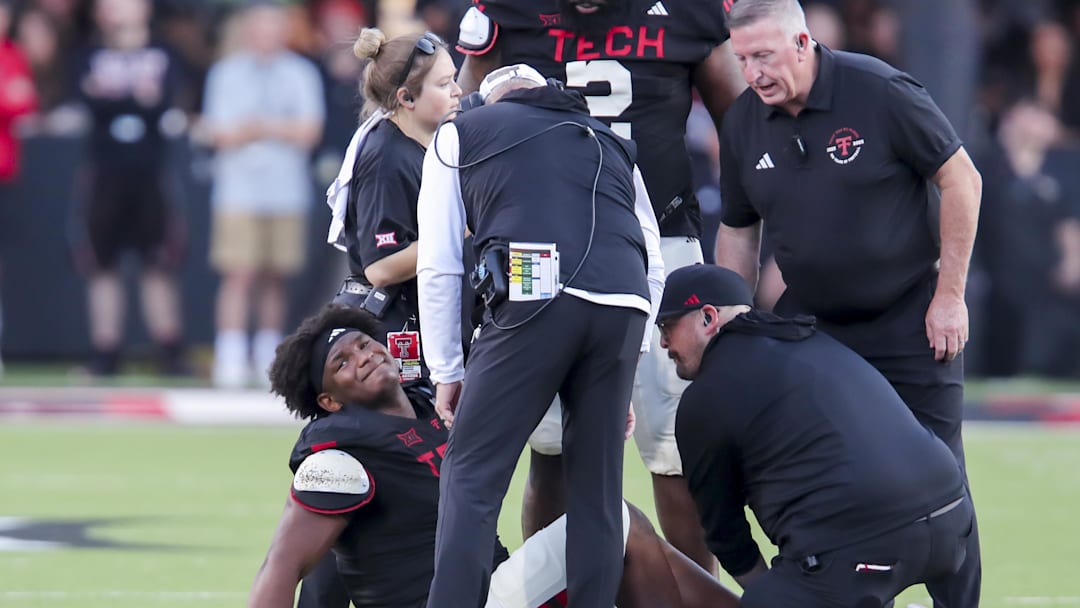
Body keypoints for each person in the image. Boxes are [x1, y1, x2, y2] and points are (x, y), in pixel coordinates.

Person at [452, 0, 746, 572]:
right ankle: (551, 593)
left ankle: (692, 595)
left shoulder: (691, 12)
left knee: (675, 447)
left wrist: (745, 232)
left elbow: (743, 126)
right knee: (551, 443)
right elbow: (464, 117)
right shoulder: (507, 12)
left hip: (661, 236)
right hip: (536, 247)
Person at [712, 1, 983, 605]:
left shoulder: (879, 90)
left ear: (803, 42)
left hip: (910, 316)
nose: (753, 73)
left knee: (943, 479)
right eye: (742, 60)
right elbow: (737, 229)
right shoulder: (742, 123)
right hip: (813, 330)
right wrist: (731, 327)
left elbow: (961, 178)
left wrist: (950, 297)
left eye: (764, 55)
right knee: (815, 473)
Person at [249, 303, 741, 608]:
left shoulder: (431, 411)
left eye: (363, 344)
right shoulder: (336, 456)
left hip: (493, 590)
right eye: (342, 363)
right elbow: (285, 565)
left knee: (619, 530)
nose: (363, 357)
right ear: (329, 402)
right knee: (610, 520)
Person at [416, 66, 665, 607]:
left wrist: (446, 371)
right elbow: (654, 258)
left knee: (472, 476)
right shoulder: (610, 141)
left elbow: (438, 263)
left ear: (492, 100)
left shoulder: (463, 131)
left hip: (535, 282)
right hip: (623, 299)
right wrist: (635, 352)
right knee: (598, 492)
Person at [655, 264, 974, 607]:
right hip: (954, 522)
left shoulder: (704, 398)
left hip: (869, 548)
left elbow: (724, 534)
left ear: (708, 318)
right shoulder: (813, 340)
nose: (663, 342)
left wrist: (774, 594)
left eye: (668, 326)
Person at [300, 27, 462, 608]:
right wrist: (462, 235)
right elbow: (380, 266)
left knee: (397, 488)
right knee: (369, 482)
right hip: (392, 338)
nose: (459, 91)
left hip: (416, 329)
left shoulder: (428, 143)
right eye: (445, 84)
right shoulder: (388, 155)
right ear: (406, 99)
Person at [201, 0, 325, 388]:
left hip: (286, 190)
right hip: (238, 190)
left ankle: (268, 353)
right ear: (248, 31)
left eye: (274, 27)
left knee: (276, 274)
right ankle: (230, 355)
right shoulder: (226, 73)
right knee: (238, 271)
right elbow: (218, 132)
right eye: (260, 27)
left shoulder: (301, 72)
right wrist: (273, 130)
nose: (266, 35)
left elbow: (309, 131)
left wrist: (260, 127)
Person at [69, 0, 188, 377]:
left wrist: (116, 97)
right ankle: (106, 351)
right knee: (103, 265)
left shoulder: (165, 52)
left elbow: (165, 102)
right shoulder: (88, 53)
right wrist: (135, 97)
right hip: (105, 172)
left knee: (159, 264)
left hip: (150, 173)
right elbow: (88, 101)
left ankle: (169, 351)